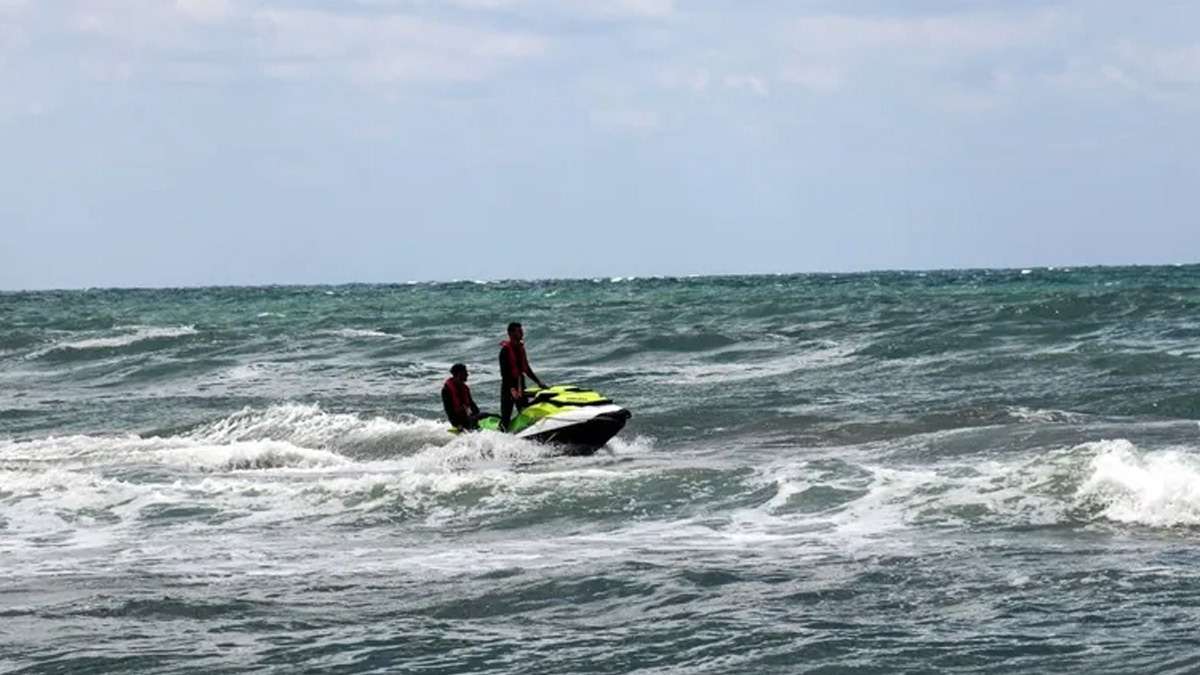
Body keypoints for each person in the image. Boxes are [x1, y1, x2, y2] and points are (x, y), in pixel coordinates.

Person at [498, 321, 547, 430]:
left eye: (521, 331)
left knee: (525, 412)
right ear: (510, 333)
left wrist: (538, 382)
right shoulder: (505, 351)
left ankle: (526, 433)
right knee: (506, 417)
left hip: (520, 385)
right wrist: (511, 389)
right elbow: (504, 373)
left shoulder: (520, 348)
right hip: (508, 388)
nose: (522, 333)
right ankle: (500, 437)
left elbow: (526, 368)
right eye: (518, 331)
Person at [442, 363, 481, 431]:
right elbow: (449, 410)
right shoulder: (447, 390)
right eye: (465, 372)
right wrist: (457, 425)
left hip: (467, 417)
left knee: (491, 416)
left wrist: (478, 414)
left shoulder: (464, 388)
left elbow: (472, 404)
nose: (467, 374)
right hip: (458, 421)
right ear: (459, 374)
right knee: (473, 422)